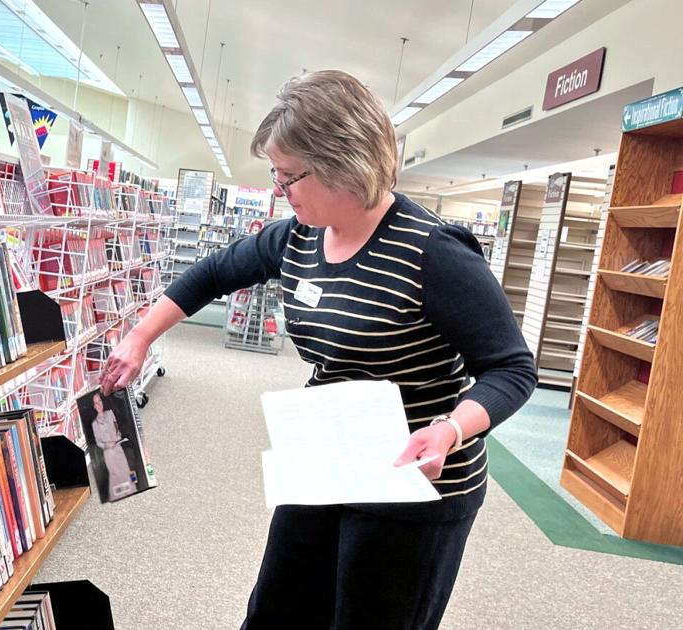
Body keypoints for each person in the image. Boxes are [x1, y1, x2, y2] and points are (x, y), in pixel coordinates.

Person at [100, 70, 536, 629]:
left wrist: (451, 428)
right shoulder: (299, 235)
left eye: (289, 177)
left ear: (343, 164)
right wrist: (140, 336)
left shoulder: (435, 253)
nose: (280, 190)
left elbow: (512, 369)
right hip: (326, 454)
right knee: (276, 612)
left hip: (416, 477)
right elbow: (213, 273)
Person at [91, 392, 135, 500]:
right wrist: (107, 445)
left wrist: (118, 435)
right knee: (115, 474)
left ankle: (133, 488)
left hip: (118, 447)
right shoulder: (95, 424)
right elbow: (98, 442)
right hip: (109, 453)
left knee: (126, 469)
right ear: (94, 406)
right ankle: (116, 495)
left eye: (99, 401)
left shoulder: (110, 413)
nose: (99, 405)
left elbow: (116, 428)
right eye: (96, 403)